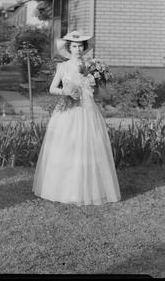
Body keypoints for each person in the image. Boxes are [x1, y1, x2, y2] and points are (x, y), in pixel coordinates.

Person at [32, 30, 120, 205]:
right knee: (66, 146)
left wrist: (95, 84)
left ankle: (89, 188)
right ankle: (63, 189)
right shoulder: (62, 67)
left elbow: (97, 91)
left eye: (80, 46)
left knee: (88, 147)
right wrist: (64, 91)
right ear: (69, 47)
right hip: (67, 110)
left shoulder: (91, 67)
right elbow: (52, 88)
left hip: (87, 110)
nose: (77, 49)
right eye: (74, 46)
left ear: (84, 48)